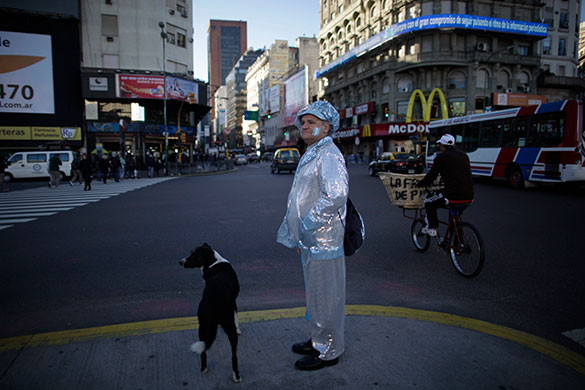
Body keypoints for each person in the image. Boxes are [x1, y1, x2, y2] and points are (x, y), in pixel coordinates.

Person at [276, 101, 349, 371]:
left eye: (311, 122)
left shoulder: (328, 153)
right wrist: (298, 233)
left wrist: (307, 224)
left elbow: (337, 195)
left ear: (326, 126)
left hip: (323, 239)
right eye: (302, 122)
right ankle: (318, 338)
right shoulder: (313, 151)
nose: (304, 126)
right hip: (310, 240)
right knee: (316, 295)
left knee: (326, 296)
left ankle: (329, 350)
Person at [415, 134, 474, 236]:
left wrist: (420, 184)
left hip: (452, 195)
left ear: (442, 145)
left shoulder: (441, 157)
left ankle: (432, 227)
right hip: (469, 196)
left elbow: (432, 175)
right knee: (455, 219)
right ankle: (456, 244)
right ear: (454, 144)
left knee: (429, 201)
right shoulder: (464, 155)